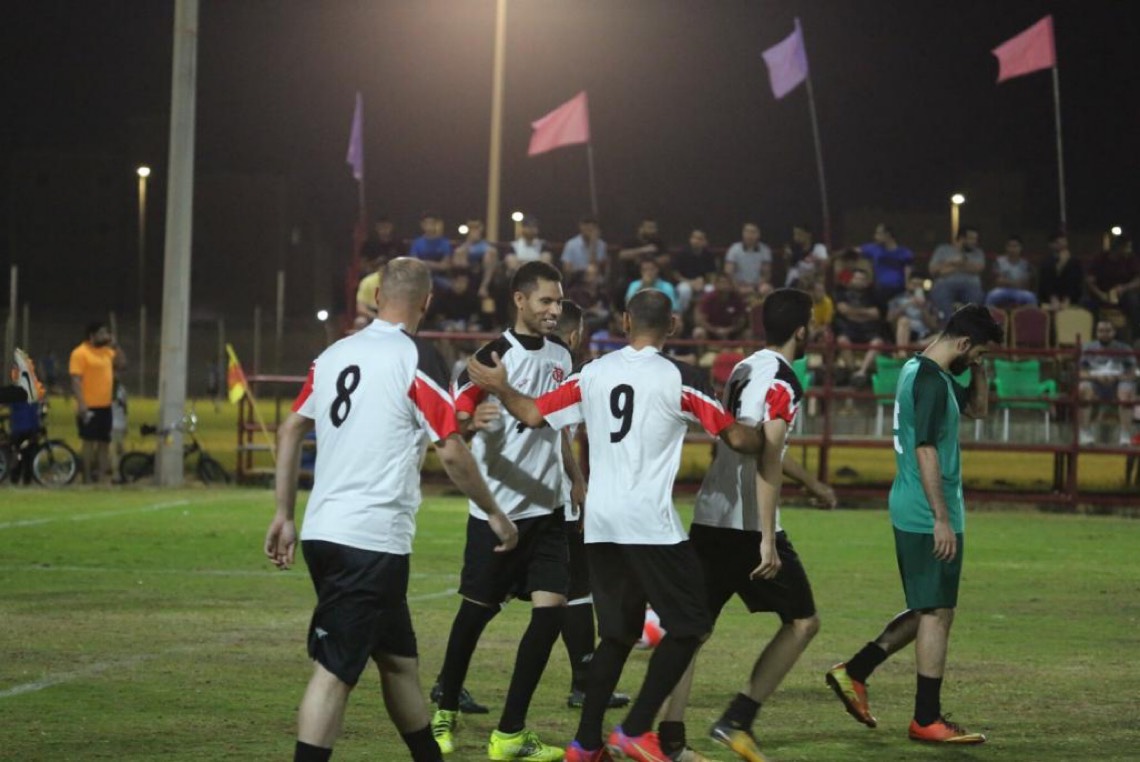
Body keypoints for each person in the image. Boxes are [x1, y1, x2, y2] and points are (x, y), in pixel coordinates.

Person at [467, 289, 764, 762]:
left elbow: (532, 413)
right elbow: (740, 440)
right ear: (672, 326)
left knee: (618, 635)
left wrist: (502, 386)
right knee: (692, 625)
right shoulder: (682, 377)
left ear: (625, 322)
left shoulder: (592, 373)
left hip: (601, 523)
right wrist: (765, 426)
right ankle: (637, 729)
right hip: (649, 523)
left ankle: (585, 744)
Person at [263, 257, 518, 762]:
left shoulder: (335, 352)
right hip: (369, 539)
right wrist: (494, 511)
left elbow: (291, 429)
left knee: (399, 662)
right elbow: (450, 449)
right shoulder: (415, 356)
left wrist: (284, 514)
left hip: (326, 530)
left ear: (378, 297)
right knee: (335, 671)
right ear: (428, 302)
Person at [657, 289, 838, 762]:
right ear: (802, 330)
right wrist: (767, 539)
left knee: (691, 632)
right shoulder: (784, 380)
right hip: (747, 525)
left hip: (711, 516)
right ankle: (738, 719)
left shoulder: (744, 368)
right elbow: (766, 458)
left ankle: (668, 739)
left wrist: (812, 483)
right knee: (803, 622)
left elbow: (754, 441)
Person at [825, 304, 1002, 746]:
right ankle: (926, 718)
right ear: (963, 343)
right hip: (926, 510)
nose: (977, 360)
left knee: (931, 606)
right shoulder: (930, 382)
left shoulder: (923, 370)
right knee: (936, 613)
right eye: (977, 353)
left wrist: (980, 368)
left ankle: (855, 672)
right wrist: (940, 517)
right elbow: (925, 449)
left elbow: (978, 409)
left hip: (921, 505)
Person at [430, 261, 579, 761]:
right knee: (475, 615)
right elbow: (454, 422)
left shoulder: (563, 356)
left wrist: (576, 480)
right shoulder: (490, 357)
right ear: (520, 300)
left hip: (549, 510)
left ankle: (510, 731)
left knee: (550, 614)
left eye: (558, 301)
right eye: (546, 301)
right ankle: (444, 708)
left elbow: (556, 426)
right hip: (500, 514)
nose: (554, 310)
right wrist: (472, 421)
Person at [552, 299, 631, 711]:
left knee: (572, 587)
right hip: (554, 496)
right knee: (574, 588)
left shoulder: (531, 363)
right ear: (574, 334)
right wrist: (579, 482)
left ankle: (584, 682)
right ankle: (584, 684)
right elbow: (558, 433)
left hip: (525, 496)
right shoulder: (566, 371)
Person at [69, 321, 126, 483]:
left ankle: (101, 477)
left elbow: (122, 364)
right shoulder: (80, 353)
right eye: (102, 333)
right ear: (92, 336)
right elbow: (76, 380)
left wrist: (116, 346)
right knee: (88, 442)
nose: (105, 336)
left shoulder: (108, 352)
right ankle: (86, 477)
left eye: (106, 333)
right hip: (89, 406)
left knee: (104, 442)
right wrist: (81, 403)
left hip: (105, 405)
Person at [1078, 320, 1136, 446]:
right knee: (1082, 388)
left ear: (1114, 332)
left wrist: (1116, 377)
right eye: (1101, 331)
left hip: (1119, 382)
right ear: (1096, 332)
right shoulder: (1087, 348)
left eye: (1108, 331)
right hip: (1095, 382)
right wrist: (1096, 377)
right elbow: (1080, 372)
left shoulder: (1125, 348)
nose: (1104, 334)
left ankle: (1125, 435)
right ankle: (1085, 433)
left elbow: (1132, 373)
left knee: (1127, 391)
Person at [833, 268, 886, 386]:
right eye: (856, 278)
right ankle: (852, 372)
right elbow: (843, 310)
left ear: (867, 282)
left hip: (869, 330)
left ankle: (862, 372)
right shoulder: (842, 293)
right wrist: (866, 313)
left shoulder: (874, 295)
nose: (859, 281)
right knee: (842, 340)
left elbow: (876, 314)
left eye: (862, 279)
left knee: (877, 342)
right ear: (851, 280)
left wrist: (852, 313)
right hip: (849, 329)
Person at [1086, 237, 1140, 337]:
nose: (1129, 250)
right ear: (1118, 248)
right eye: (1127, 247)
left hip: (1123, 294)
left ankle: (1136, 336)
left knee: (1134, 300)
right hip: (1102, 293)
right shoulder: (1100, 258)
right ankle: (1093, 335)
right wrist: (1100, 294)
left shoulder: (1131, 259)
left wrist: (1124, 288)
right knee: (1087, 303)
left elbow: (1138, 280)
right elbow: (1090, 281)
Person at [929, 227, 985, 320]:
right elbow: (933, 270)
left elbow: (978, 268)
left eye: (976, 239)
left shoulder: (978, 252)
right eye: (971, 239)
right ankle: (948, 325)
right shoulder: (942, 249)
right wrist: (953, 262)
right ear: (962, 238)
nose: (975, 242)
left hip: (971, 285)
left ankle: (970, 325)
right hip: (944, 285)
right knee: (940, 293)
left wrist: (948, 268)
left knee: (976, 296)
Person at [451, 218, 499, 315]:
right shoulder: (464, 247)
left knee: (490, 254)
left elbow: (493, 258)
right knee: (459, 254)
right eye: (471, 228)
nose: (474, 231)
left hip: (484, 275)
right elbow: (457, 262)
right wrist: (469, 243)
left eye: (476, 228)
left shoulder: (486, 247)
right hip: (467, 274)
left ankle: (484, 287)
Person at [888, 273, 940, 355]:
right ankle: (902, 353)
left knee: (941, 335)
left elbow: (933, 326)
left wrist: (923, 308)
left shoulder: (929, 302)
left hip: (923, 335)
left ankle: (908, 347)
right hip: (906, 333)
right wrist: (908, 304)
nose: (917, 287)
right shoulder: (897, 299)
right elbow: (889, 318)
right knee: (904, 320)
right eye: (914, 284)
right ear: (908, 285)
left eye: (919, 285)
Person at [860, 223, 914, 302]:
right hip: (879, 290)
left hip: (899, 290)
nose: (875, 237)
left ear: (887, 234)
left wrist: (908, 287)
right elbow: (853, 252)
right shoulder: (873, 249)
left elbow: (908, 271)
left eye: (878, 233)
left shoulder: (904, 252)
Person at [672, 229, 719, 315]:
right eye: (694, 238)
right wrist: (690, 283)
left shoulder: (709, 255)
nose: (696, 241)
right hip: (685, 282)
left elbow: (712, 274)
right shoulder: (682, 253)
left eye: (699, 239)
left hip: (703, 283)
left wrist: (705, 283)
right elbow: (675, 274)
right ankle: (681, 314)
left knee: (711, 290)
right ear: (690, 239)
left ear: (705, 241)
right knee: (684, 290)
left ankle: (707, 314)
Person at [692, 272, 748, 342]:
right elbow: (701, 320)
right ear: (716, 284)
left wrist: (730, 330)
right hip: (711, 332)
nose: (724, 285)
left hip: (732, 332)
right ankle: (701, 349)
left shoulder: (737, 299)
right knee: (698, 332)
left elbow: (741, 320)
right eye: (721, 282)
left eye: (727, 282)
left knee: (748, 334)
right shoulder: (708, 298)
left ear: (731, 284)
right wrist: (715, 330)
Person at [985, 235, 1038, 308]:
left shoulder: (1025, 264)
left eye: (1015, 246)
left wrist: (1007, 281)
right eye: (1010, 246)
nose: (1012, 249)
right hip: (1002, 291)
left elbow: (1025, 283)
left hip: (1020, 292)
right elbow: (998, 281)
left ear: (1021, 248)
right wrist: (1014, 283)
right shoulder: (999, 261)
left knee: (1031, 297)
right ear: (1006, 247)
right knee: (991, 295)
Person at [724, 222, 773, 297]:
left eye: (753, 232)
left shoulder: (765, 250)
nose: (749, 235)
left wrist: (754, 287)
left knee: (767, 289)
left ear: (758, 234)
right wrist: (737, 288)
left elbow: (766, 274)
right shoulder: (734, 248)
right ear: (742, 233)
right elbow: (728, 272)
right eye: (747, 231)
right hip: (737, 285)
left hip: (757, 285)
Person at [1038, 232, 1083, 310]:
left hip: (1070, 297)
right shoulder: (1046, 262)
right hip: (1050, 297)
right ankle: (1053, 299)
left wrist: (1067, 298)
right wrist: (1060, 265)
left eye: (1064, 241)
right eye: (1058, 242)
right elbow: (1045, 282)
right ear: (1051, 245)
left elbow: (1076, 281)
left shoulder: (1074, 261)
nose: (1062, 245)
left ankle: (1067, 300)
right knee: (1047, 269)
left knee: (1073, 268)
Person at [410, 210, 454, 290]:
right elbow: (414, 265)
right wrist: (436, 265)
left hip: (441, 278)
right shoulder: (417, 243)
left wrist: (424, 263)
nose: (429, 226)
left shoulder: (445, 243)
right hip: (421, 279)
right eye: (426, 223)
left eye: (432, 223)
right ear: (422, 225)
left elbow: (445, 266)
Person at [784, 224, 829, 288]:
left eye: (799, 234)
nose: (796, 237)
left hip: (813, 283)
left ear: (808, 234)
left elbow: (822, 269)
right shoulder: (793, 251)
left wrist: (807, 276)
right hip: (796, 284)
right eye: (795, 234)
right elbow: (790, 272)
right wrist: (787, 259)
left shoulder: (819, 248)